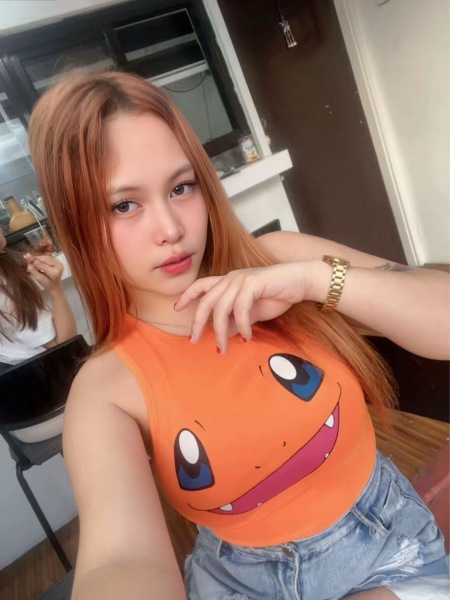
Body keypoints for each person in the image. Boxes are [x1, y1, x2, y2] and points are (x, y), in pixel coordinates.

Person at [27, 71, 449, 600]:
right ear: (79, 224)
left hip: (389, 554)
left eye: (181, 187)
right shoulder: (105, 389)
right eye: (124, 205)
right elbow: (121, 559)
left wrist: (315, 281)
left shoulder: (282, 257)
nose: (171, 228)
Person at [0, 230, 77, 374]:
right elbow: (65, 347)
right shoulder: (6, 287)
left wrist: (40, 259)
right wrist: (55, 290)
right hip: (45, 374)